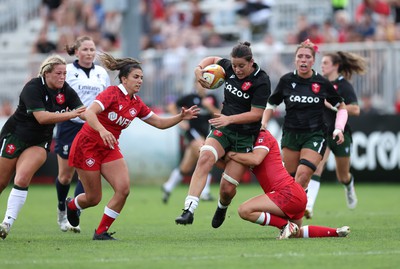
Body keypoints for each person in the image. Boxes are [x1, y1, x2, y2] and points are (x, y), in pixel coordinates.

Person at [65, 52, 199, 240]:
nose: (140, 81)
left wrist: (180, 117)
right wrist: (103, 131)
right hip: (87, 145)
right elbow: (89, 113)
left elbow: (159, 123)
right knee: (93, 198)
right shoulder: (111, 93)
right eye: (136, 77)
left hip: (109, 148)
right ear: (124, 78)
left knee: (123, 189)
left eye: (142, 78)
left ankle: (101, 232)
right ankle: (72, 205)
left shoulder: (136, 103)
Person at [175, 41, 271, 227]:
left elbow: (257, 114)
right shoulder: (229, 67)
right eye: (234, 65)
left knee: (227, 189)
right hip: (223, 128)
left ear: (251, 62)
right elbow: (212, 59)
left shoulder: (261, 80)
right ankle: (189, 210)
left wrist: (230, 118)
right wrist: (198, 69)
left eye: (241, 66)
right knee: (204, 157)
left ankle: (221, 207)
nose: (236, 70)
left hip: (244, 135)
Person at [0, 54, 86, 240]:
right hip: (15, 136)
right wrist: (71, 114)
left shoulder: (66, 90)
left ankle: (6, 223)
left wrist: (102, 127)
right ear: (46, 73)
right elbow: (42, 117)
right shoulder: (32, 87)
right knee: (1, 182)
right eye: (58, 73)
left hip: (39, 141)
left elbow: (84, 113)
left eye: (64, 73)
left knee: (22, 178)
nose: (63, 77)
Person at [226, 129, 350, 239]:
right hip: (296, 193)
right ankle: (337, 232)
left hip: (287, 193)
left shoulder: (263, 136)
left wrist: (230, 154)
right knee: (296, 233)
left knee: (244, 210)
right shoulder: (249, 143)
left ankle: (285, 225)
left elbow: (255, 159)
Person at [261, 39, 348, 192]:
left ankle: (298, 203)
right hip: (291, 135)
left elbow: (341, 107)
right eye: (300, 56)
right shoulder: (286, 81)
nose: (303, 59)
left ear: (313, 61)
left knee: (302, 175)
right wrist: (264, 122)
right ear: (295, 60)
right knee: (291, 180)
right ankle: (298, 208)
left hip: (315, 135)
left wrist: (339, 128)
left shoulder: (321, 83)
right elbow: (272, 103)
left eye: (307, 57)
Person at [54, 36, 110, 233]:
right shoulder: (67, 71)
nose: (89, 53)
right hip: (70, 125)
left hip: (92, 127)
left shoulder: (102, 73)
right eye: (85, 49)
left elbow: (106, 99)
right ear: (76, 52)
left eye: (92, 49)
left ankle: (75, 210)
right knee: (65, 176)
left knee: (87, 170)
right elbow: (57, 94)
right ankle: (62, 209)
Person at [305, 51, 367, 219]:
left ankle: (349, 185)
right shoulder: (319, 83)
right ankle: (308, 205)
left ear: (336, 66)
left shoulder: (344, 85)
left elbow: (355, 109)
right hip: (322, 134)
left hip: (341, 135)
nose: (322, 65)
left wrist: (335, 106)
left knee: (343, 176)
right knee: (316, 168)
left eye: (326, 63)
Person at [161, 81, 220, 204]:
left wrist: (210, 107)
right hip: (192, 132)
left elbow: (219, 115)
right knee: (207, 157)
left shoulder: (212, 98)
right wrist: (180, 121)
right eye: (200, 83)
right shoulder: (190, 98)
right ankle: (205, 192)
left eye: (206, 83)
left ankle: (168, 186)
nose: (203, 86)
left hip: (205, 134)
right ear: (195, 84)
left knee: (186, 166)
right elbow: (172, 106)